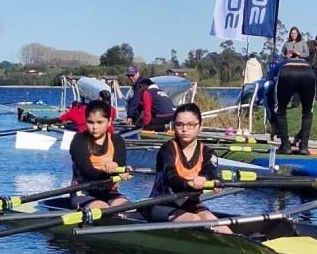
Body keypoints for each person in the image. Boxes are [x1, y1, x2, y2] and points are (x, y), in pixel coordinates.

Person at [147, 103, 232, 234]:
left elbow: (210, 171)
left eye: (190, 125)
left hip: (189, 204)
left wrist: (206, 179)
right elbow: (171, 177)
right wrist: (189, 184)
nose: (184, 129)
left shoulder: (208, 152)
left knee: (211, 219)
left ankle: (239, 246)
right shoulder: (167, 149)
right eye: (179, 124)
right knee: (194, 218)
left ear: (200, 126)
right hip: (161, 204)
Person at [68, 100, 132, 210]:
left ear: (109, 121)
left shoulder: (117, 140)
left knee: (128, 208)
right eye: (90, 122)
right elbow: (88, 171)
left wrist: (123, 170)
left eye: (99, 122)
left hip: (109, 192)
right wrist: (109, 172)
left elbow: (120, 164)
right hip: (83, 192)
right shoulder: (78, 140)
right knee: (102, 208)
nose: (94, 127)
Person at [271, 43, 316, 155]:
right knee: (308, 111)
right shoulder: (305, 62)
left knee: (280, 111)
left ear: (287, 56)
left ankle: (285, 145)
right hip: (308, 74)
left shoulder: (282, 62)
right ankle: (304, 146)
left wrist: (273, 123)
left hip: (288, 73)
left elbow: (270, 84)